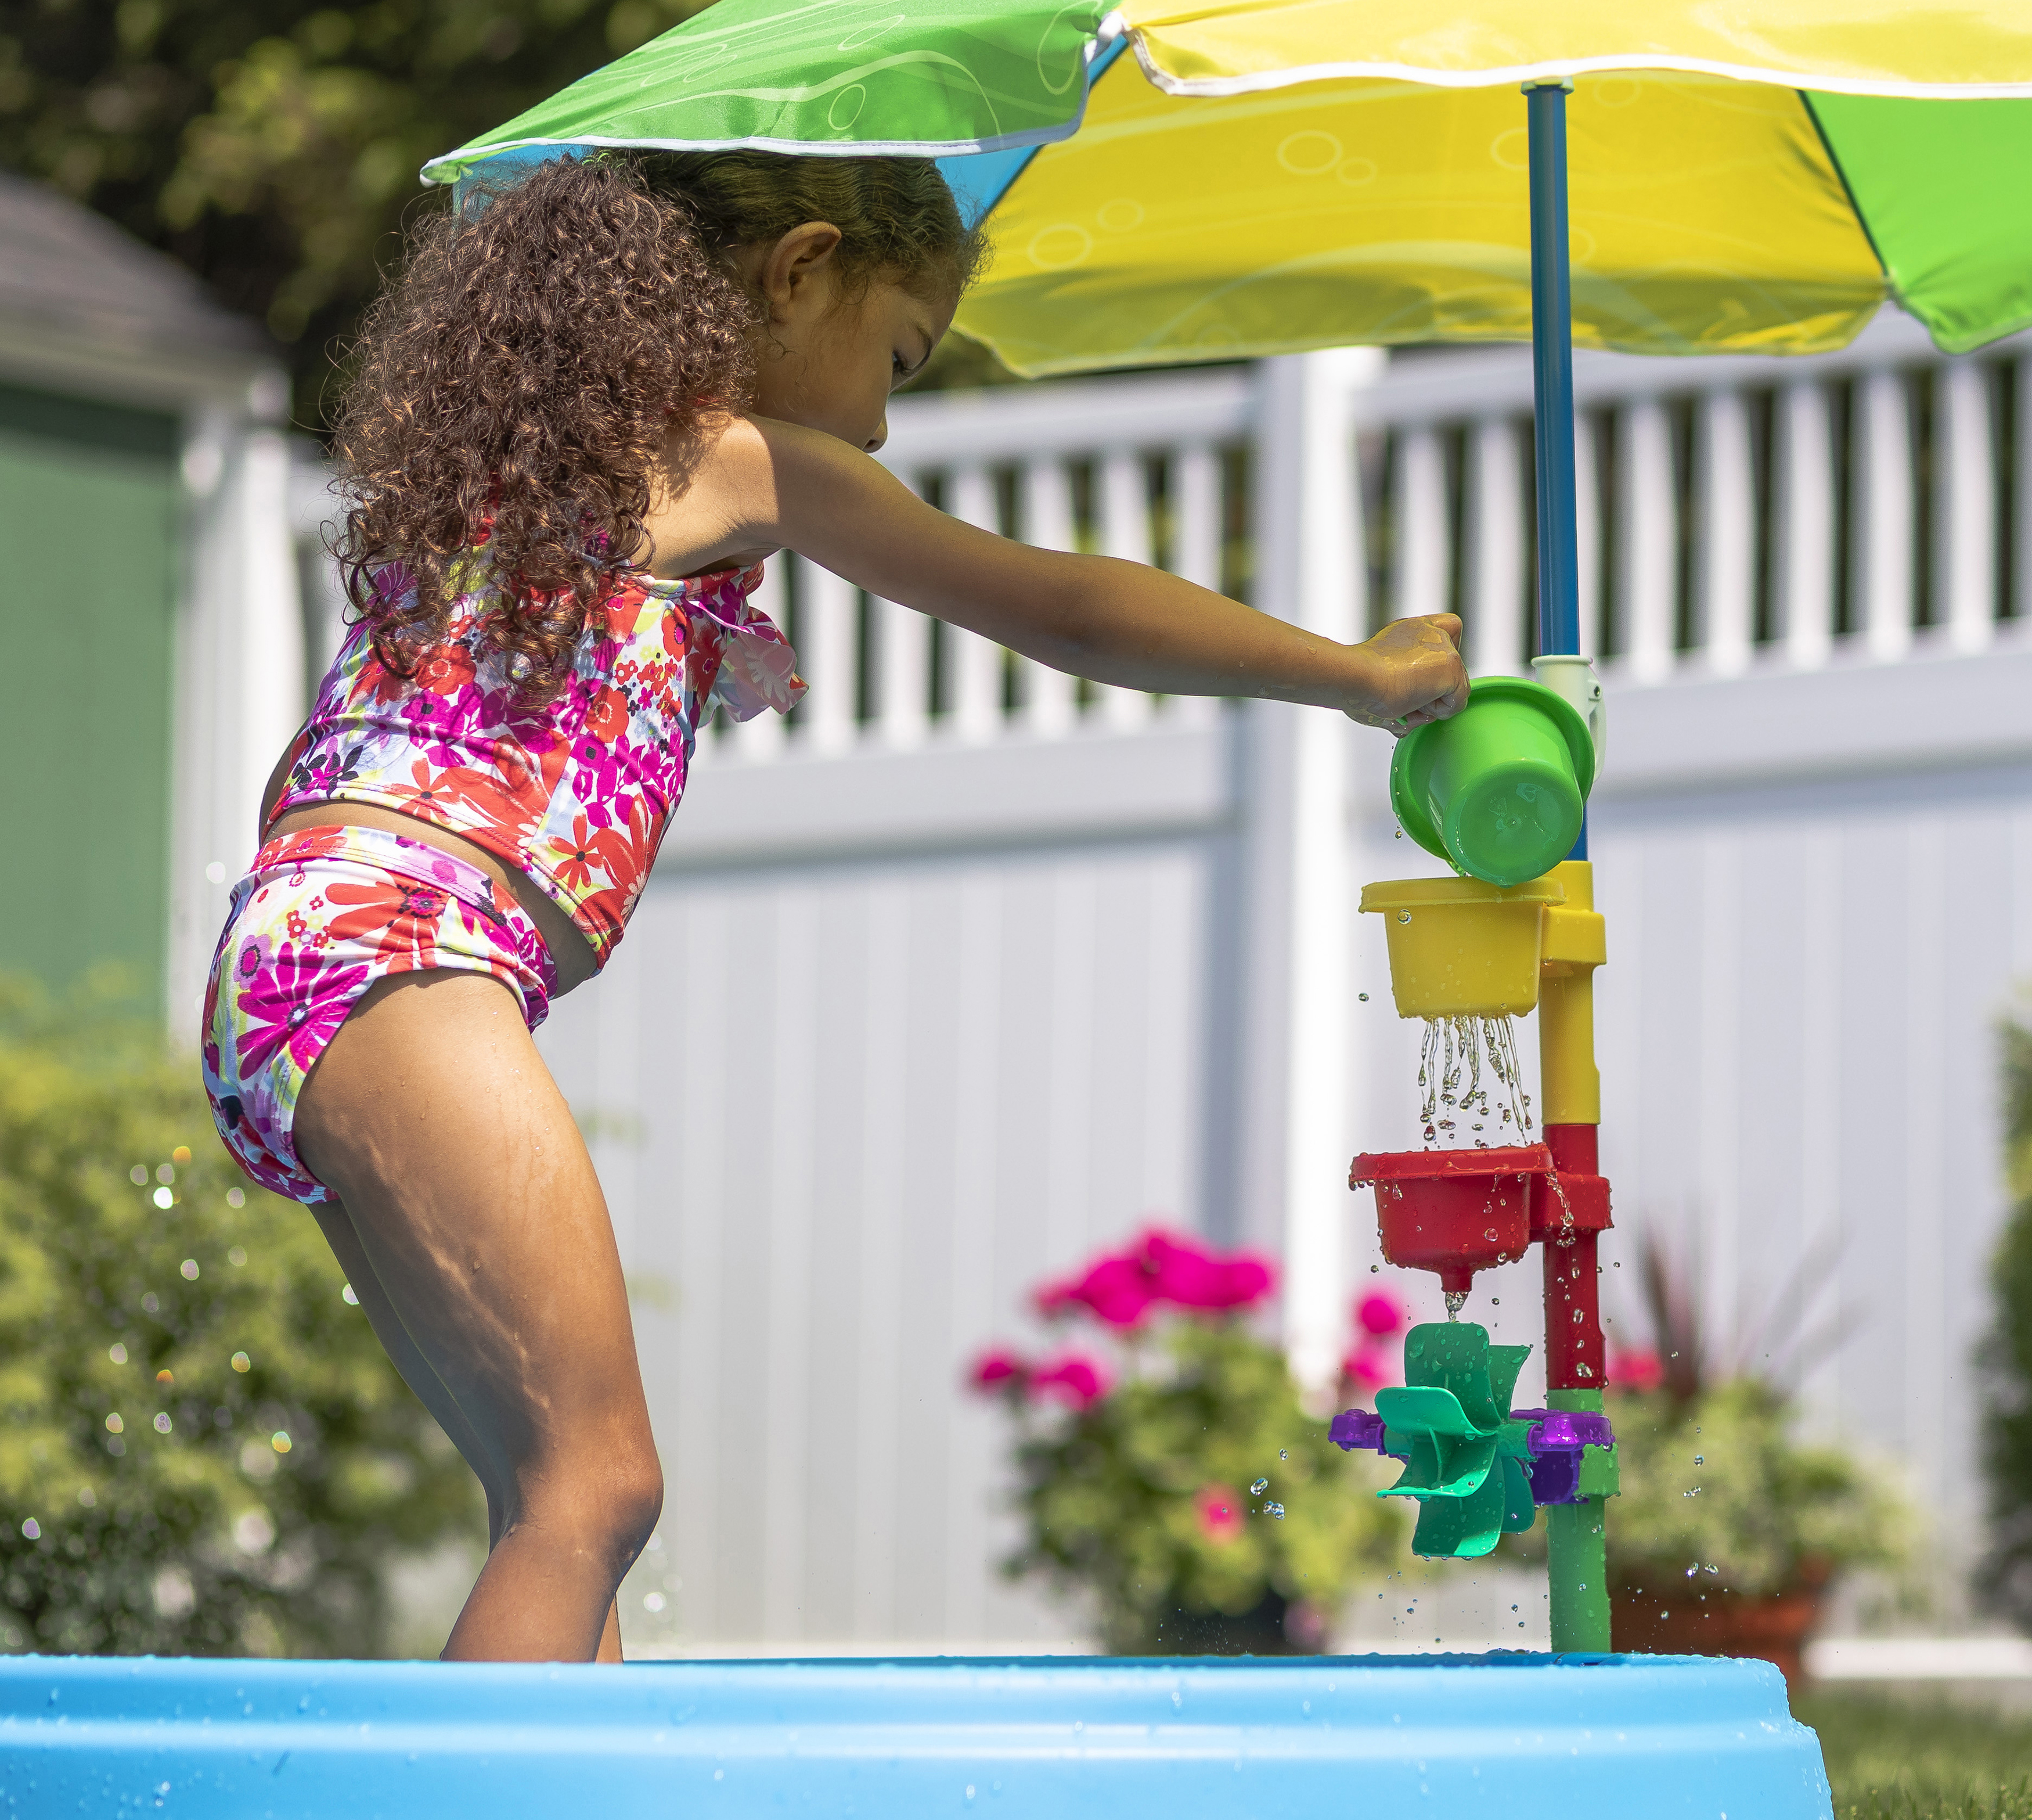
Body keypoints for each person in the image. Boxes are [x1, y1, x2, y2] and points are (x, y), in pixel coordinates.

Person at [201, 152, 1468, 1664]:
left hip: (297, 957)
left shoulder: (516, 475)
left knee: (546, 1495)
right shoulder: (733, 460)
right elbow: (1053, 601)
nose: (877, 417)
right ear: (800, 270)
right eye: (896, 355)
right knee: (597, 1488)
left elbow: (323, 765)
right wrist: (1363, 674)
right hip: (400, 952)